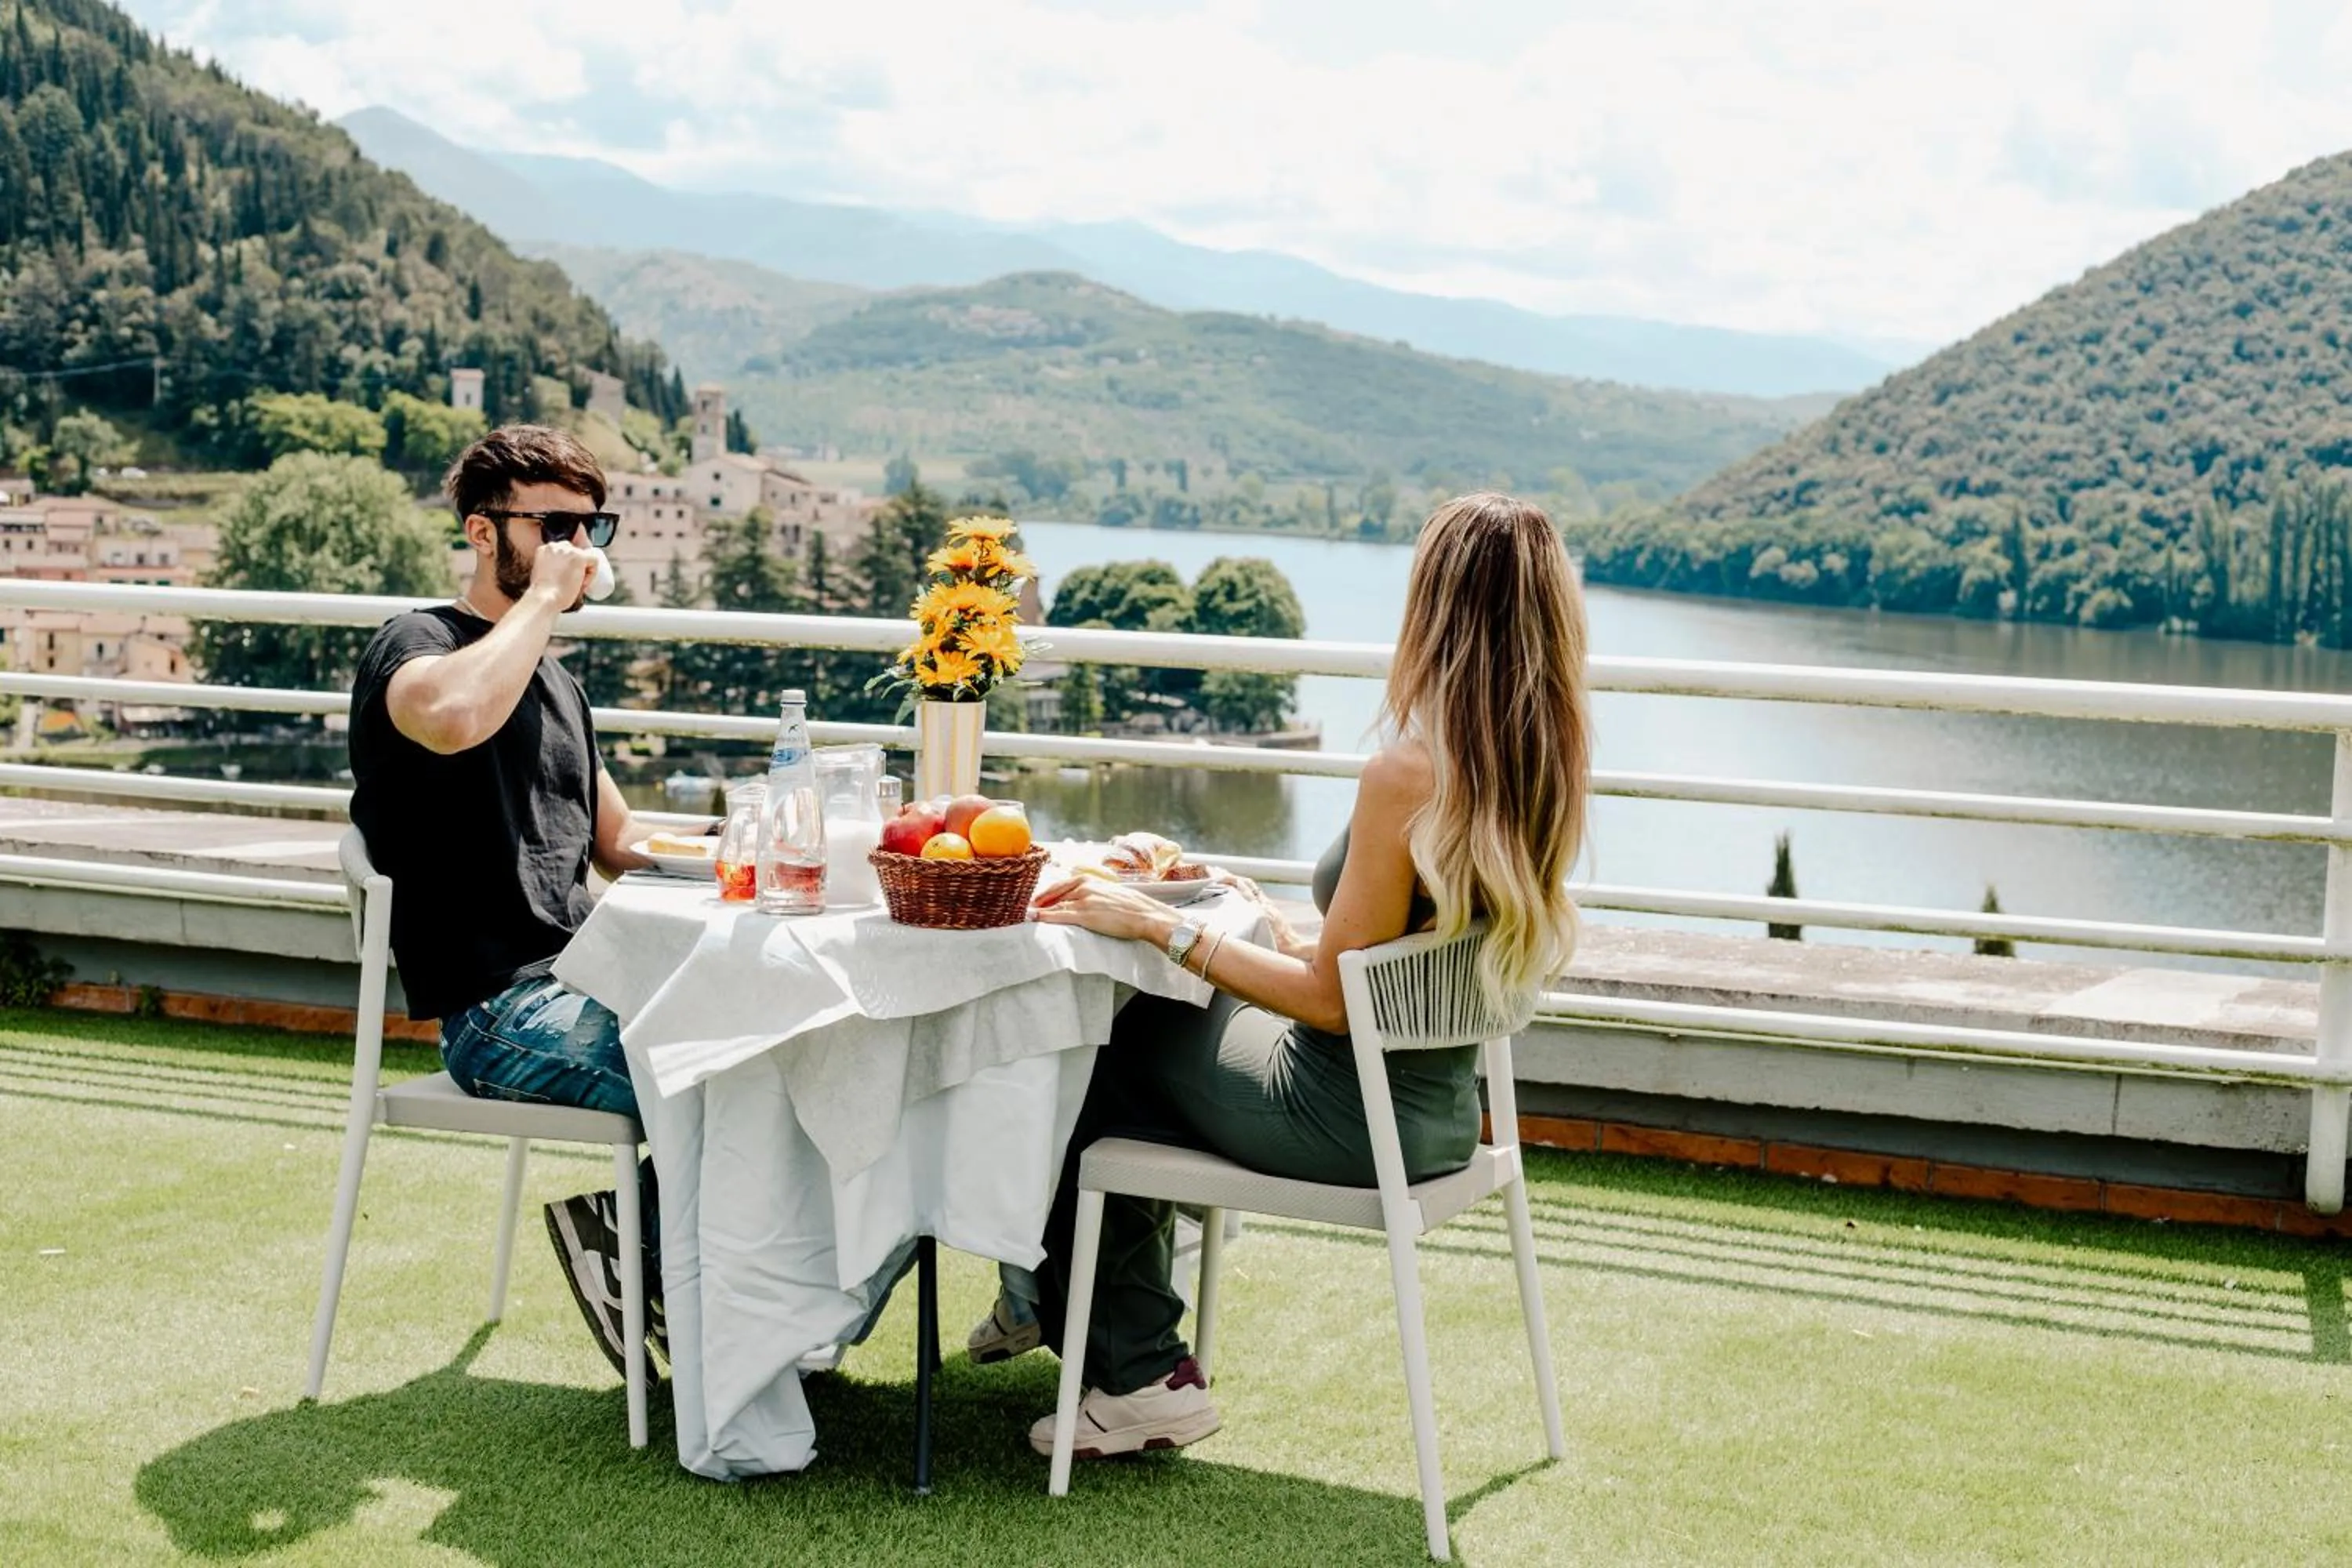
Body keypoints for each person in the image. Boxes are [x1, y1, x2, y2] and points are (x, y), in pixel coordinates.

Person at [1004, 492, 1592, 1458]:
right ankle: (1061, 1305)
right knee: (1144, 1030)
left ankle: (1133, 1369)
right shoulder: (1540, 767)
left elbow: (1328, 1003)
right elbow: (1391, 957)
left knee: (1100, 1035)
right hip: (1440, 1115)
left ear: (1437, 608)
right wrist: (1260, 914)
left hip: (1341, 1111)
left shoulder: (1408, 774)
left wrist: (1155, 923)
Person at [348, 423, 672, 1374]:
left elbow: (620, 843)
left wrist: (759, 843)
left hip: (588, 980)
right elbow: (451, 718)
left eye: (592, 526)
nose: (579, 546)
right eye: (555, 525)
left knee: (765, 1049)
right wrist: (539, 603)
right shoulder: (417, 644)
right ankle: (652, 1270)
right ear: (482, 531)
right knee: (716, 1073)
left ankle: (662, 1262)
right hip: (494, 1008)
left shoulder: (557, 680)